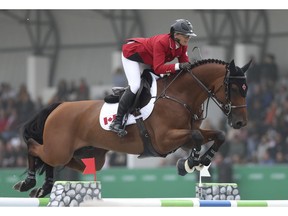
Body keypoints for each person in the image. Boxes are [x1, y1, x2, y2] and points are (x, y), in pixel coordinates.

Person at [109, 19, 197, 137]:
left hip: (149, 58)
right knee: (135, 85)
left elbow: (184, 66)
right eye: (186, 36)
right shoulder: (162, 42)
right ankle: (117, 122)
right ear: (176, 35)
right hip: (132, 54)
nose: (188, 39)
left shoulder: (182, 45)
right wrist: (178, 66)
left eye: (189, 36)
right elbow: (158, 68)